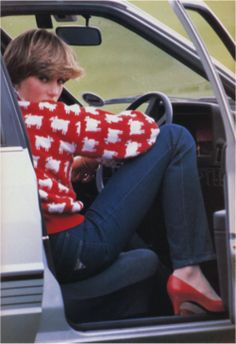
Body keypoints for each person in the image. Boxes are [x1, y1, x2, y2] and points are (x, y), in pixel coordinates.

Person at [4, 29, 224, 316]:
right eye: (44, 78)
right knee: (175, 138)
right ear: (16, 76)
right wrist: (108, 144)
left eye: (61, 81)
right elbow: (141, 133)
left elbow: (33, 174)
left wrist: (77, 164)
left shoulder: (9, 121)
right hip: (73, 248)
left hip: (44, 245)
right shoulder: (53, 118)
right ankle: (190, 272)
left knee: (141, 251)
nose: (54, 92)